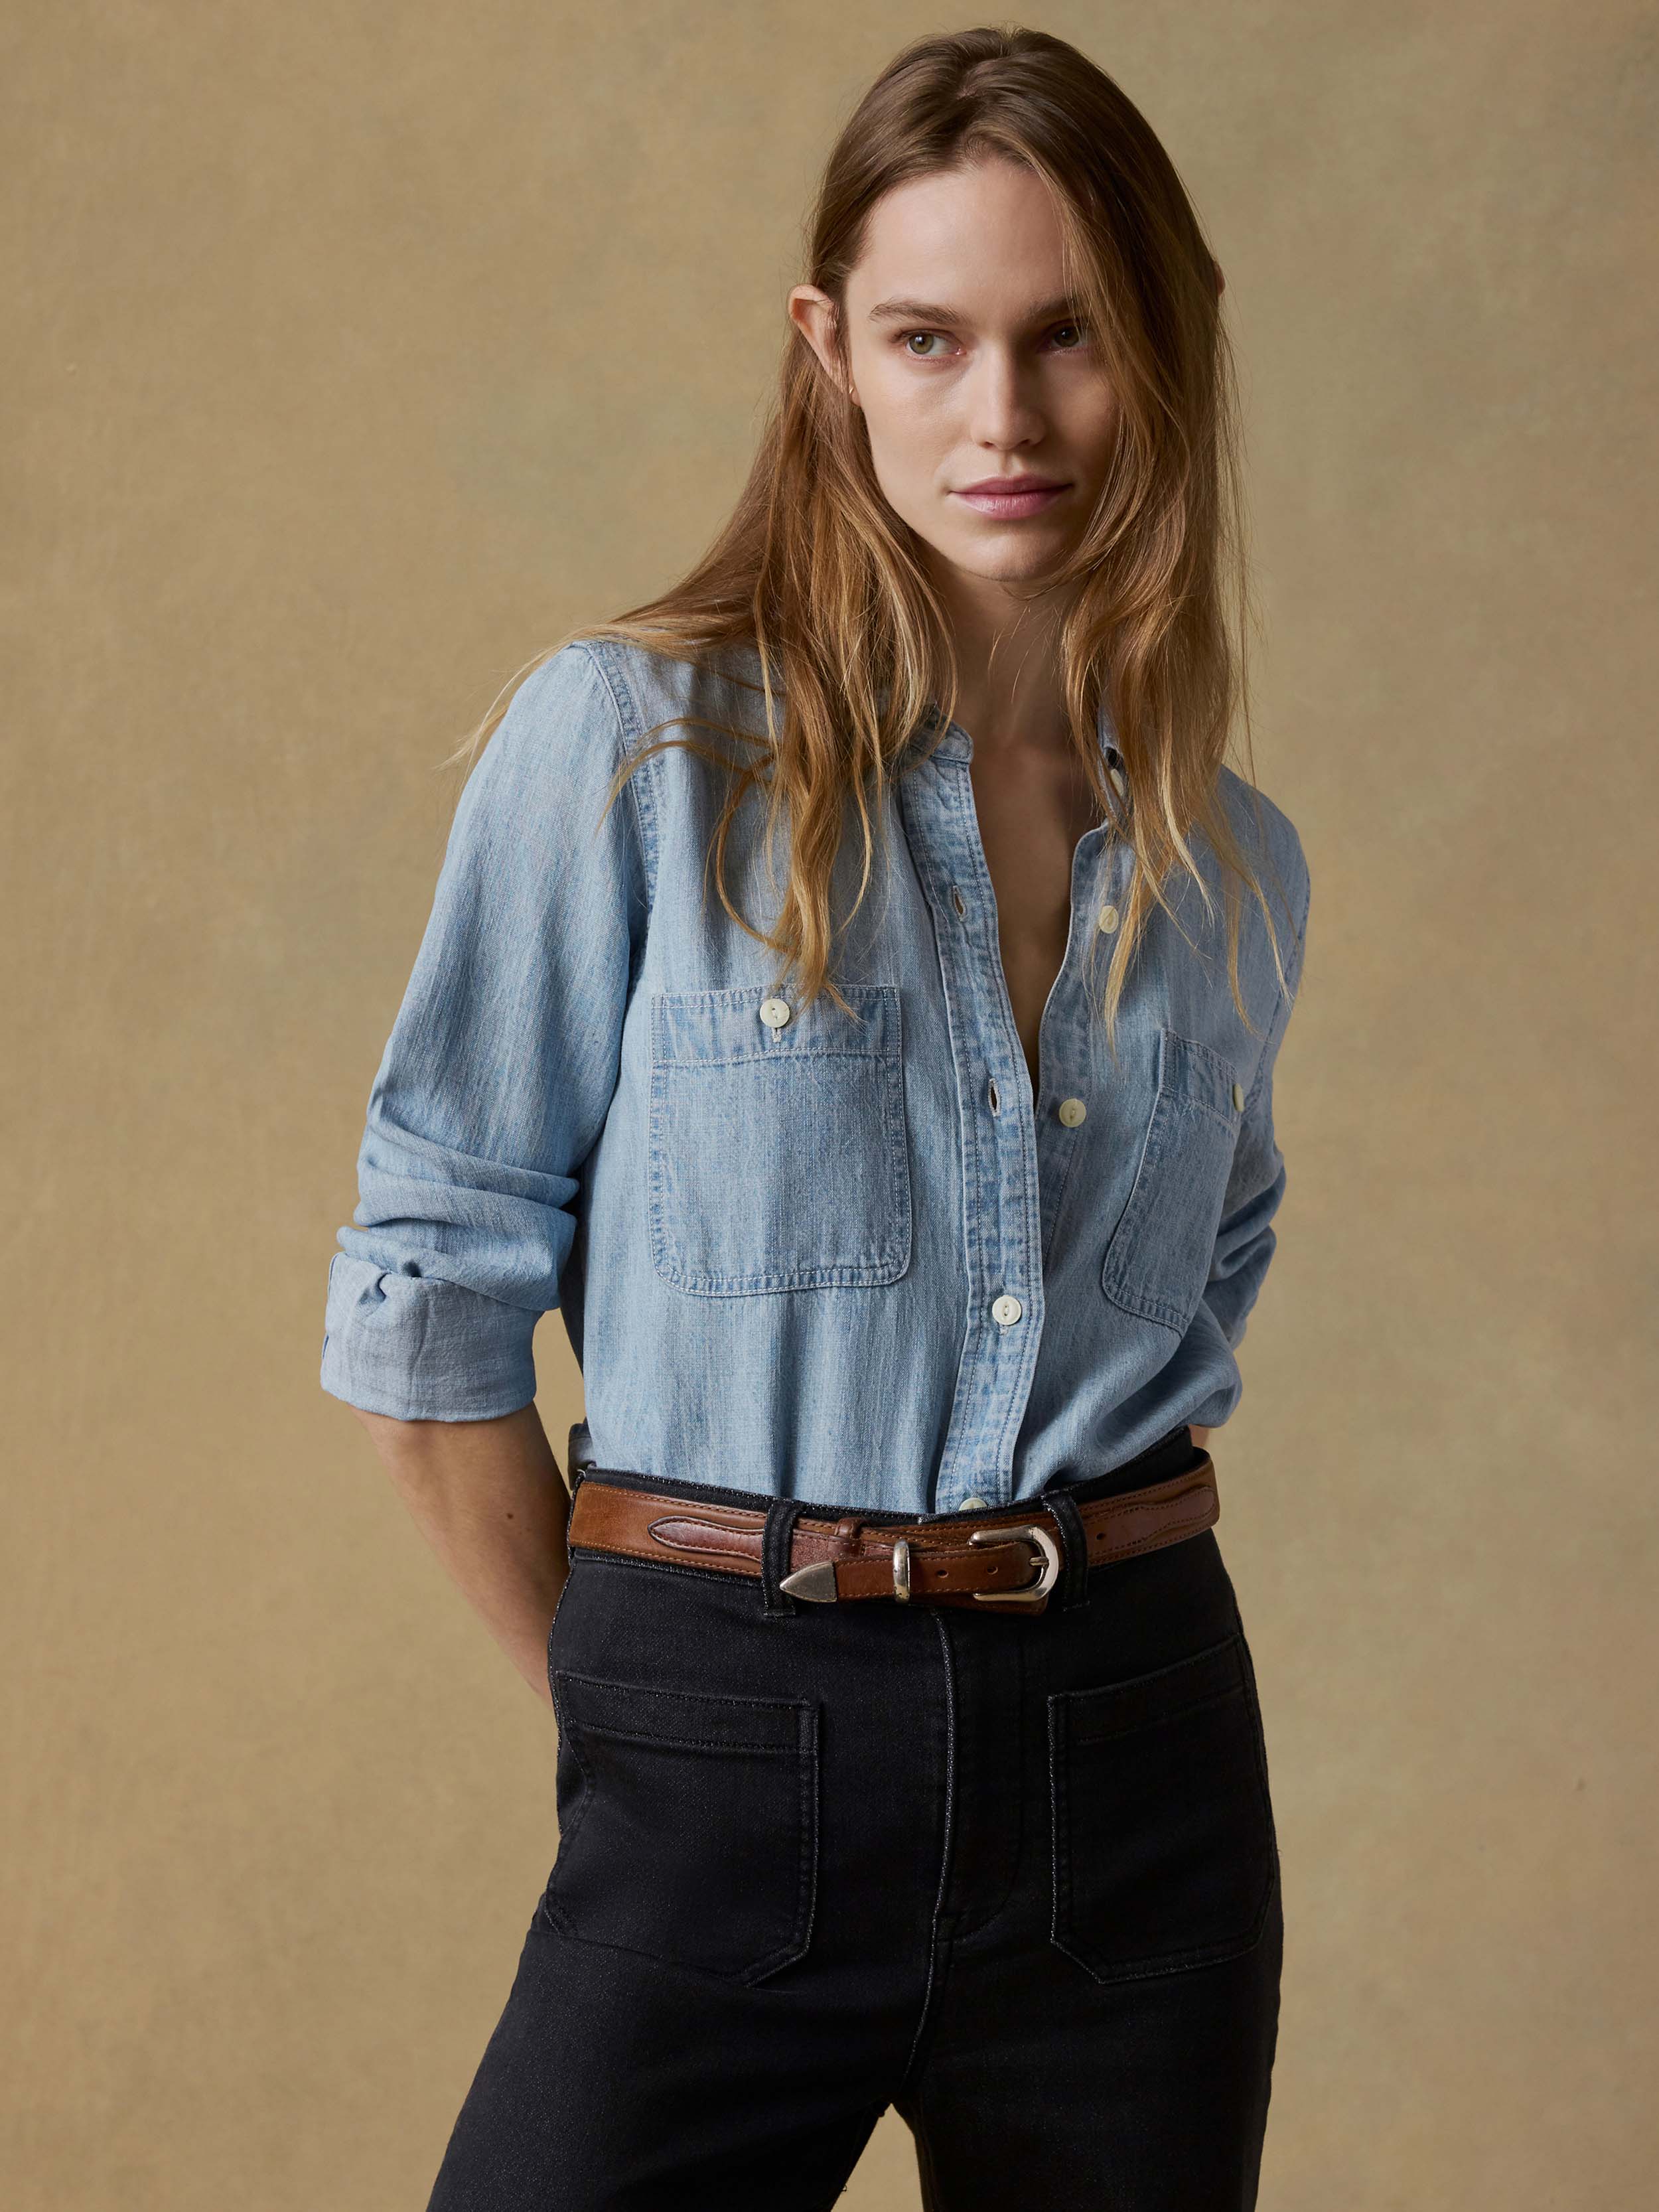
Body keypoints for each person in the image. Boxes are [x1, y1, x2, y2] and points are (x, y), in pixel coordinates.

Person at [321, 24, 1311, 2210]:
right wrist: (638, 1724)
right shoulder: (636, 759)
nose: (1003, 414)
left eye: (1069, 337)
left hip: (1136, 1767)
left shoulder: (1234, 866)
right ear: (825, 351)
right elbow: (425, 1299)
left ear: (1166, 346)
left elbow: (1204, 1274)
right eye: (929, 338)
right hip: (719, 1716)